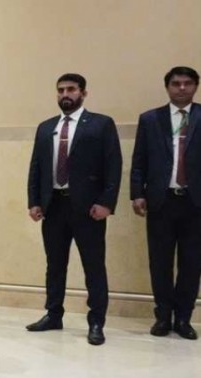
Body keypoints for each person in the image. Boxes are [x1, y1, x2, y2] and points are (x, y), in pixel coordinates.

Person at [26, 73, 122, 346]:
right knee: (55, 264)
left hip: (88, 208)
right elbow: (36, 167)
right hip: (54, 206)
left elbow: (113, 165)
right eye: (60, 90)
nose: (65, 94)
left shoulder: (101, 124)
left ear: (83, 93)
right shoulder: (46, 127)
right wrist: (34, 201)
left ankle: (96, 321)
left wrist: (106, 203)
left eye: (71, 89)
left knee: (93, 265)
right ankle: (53, 314)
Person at [130, 66, 201, 340]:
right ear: (167, 87)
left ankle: (183, 318)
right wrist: (137, 193)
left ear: (195, 86)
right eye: (176, 83)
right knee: (159, 262)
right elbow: (139, 161)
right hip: (161, 201)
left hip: (195, 203)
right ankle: (162, 316)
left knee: (192, 263)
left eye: (187, 83)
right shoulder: (150, 119)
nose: (181, 88)